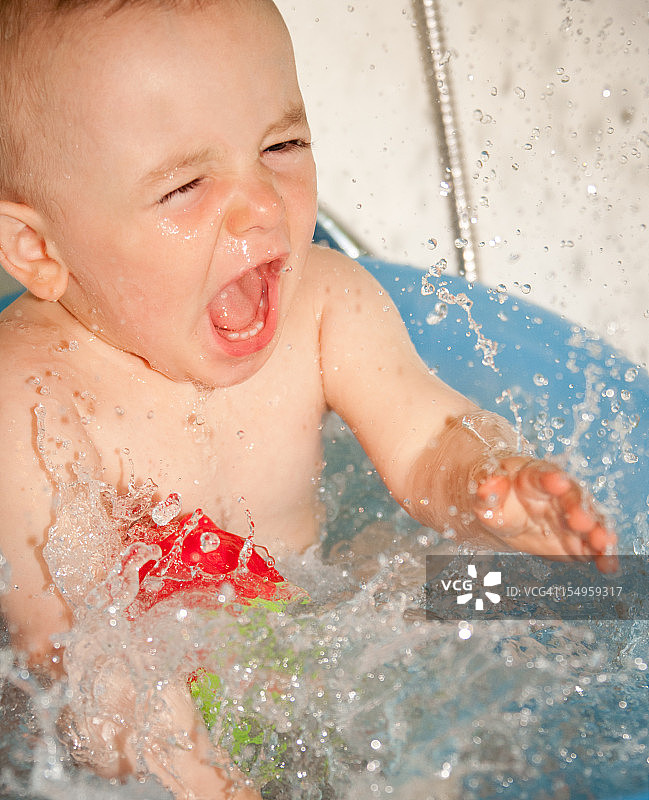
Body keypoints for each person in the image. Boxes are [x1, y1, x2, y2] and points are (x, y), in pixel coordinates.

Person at [0, 0, 616, 797]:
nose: (262, 205)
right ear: (40, 249)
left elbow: (426, 434)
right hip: (143, 728)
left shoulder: (322, 303)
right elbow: (80, 670)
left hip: (315, 635)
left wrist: (487, 482)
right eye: (186, 185)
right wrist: (211, 783)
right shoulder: (29, 400)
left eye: (281, 145)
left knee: (596, 589)